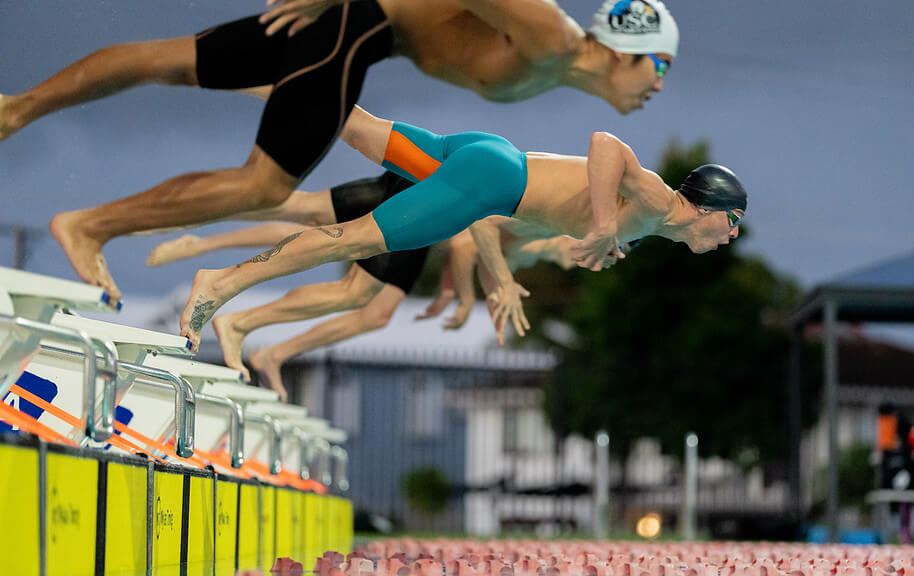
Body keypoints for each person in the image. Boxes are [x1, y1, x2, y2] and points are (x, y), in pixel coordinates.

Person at [0, 0, 678, 304]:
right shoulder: (552, 38)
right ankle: (90, 226)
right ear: (630, 46)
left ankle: (14, 109)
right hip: (357, 23)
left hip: (352, 28)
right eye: (661, 66)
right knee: (263, 186)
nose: (659, 86)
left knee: (171, 61)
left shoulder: (549, 70)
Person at [177, 105, 748, 350]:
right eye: (732, 223)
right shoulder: (663, 203)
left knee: (353, 127)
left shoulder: (654, 224)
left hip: (491, 156)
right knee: (351, 238)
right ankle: (220, 284)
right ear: (707, 205)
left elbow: (564, 219)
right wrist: (603, 227)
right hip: (490, 183)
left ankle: (271, 74)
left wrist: (598, 243)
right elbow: (608, 145)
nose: (731, 236)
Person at [147, 174, 576, 398]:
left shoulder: (543, 243)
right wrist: (465, 299)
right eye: (600, 254)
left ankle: (260, 339)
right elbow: (474, 235)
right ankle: (205, 244)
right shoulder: (547, 220)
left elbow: (473, 250)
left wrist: (458, 290)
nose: (593, 265)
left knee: (364, 296)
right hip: (425, 197)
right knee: (328, 247)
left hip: (427, 203)